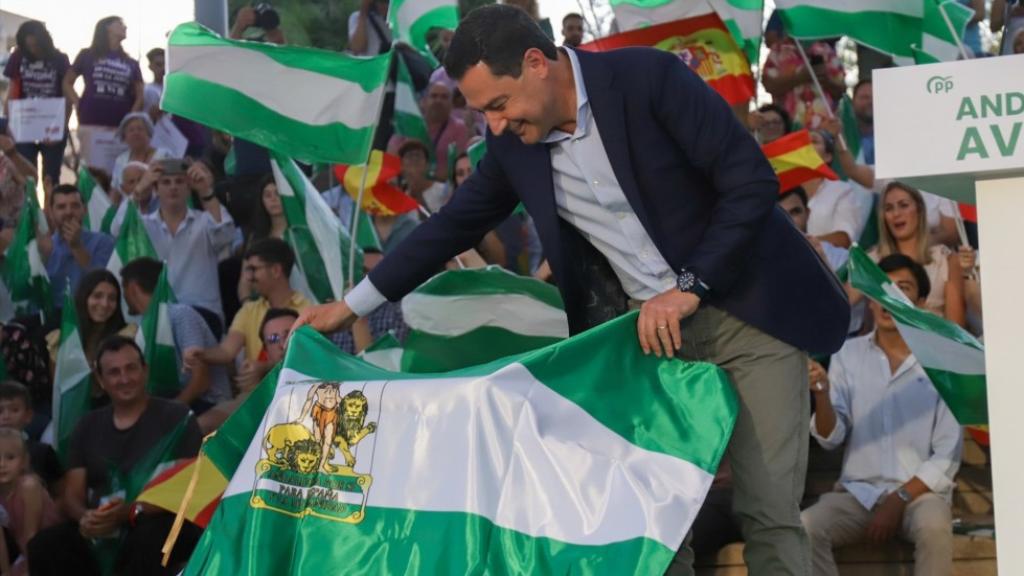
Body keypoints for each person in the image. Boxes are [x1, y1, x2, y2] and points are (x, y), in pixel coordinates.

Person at [294, 7, 850, 575]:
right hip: (647, 340)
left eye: (498, 104)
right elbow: (448, 227)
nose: (497, 125)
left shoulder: (648, 79)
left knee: (768, 513)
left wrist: (690, 286)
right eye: (484, 112)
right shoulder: (513, 144)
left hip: (748, 315)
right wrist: (350, 304)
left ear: (537, 63)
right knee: (656, 523)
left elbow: (749, 181)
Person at [802, 254, 962, 576]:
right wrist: (820, 393)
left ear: (919, 301)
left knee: (934, 528)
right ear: (872, 301)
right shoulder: (847, 353)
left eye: (902, 289)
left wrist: (899, 498)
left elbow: (948, 453)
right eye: (882, 289)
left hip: (920, 496)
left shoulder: (941, 361)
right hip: (857, 494)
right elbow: (832, 437)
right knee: (804, 528)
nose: (890, 298)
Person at [27, 336, 203, 576]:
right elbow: (72, 494)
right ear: (100, 380)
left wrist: (129, 513)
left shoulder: (178, 417)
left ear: (145, 371)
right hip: (101, 524)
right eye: (114, 372)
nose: (124, 379)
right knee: (45, 544)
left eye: (131, 368)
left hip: (156, 520)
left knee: (151, 536)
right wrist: (87, 518)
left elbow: (186, 487)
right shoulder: (87, 425)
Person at [185, 238, 310, 387]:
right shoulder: (249, 310)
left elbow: (306, 359)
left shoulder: (308, 310)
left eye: (254, 269)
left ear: (276, 270)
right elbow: (226, 351)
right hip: (253, 398)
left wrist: (265, 368)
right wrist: (201, 354)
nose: (249, 278)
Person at [120, 258, 232, 414]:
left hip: (206, 404)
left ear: (132, 288)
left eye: (123, 288)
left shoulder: (180, 314)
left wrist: (168, 412)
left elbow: (201, 381)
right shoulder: (143, 328)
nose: (122, 297)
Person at [141, 160, 235, 328]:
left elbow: (225, 234)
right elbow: (117, 229)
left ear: (189, 186)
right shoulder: (145, 224)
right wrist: (140, 190)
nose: (173, 187)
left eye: (179, 181)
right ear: (155, 189)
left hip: (202, 314)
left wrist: (206, 192)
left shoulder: (205, 221)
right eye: (166, 182)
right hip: (160, 316)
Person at [873, 182, 967, 327]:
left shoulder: (946, 261)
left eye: (903, 205)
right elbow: (845, 300)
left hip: (935, 345)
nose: (896, 214)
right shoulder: (872, 260)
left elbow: (956, 328)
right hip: (884, 347)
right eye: (889, 208)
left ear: (920, 210)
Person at [63, 16, 144, 173]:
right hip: (91, 123)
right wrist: (77, 102)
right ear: (107, 28)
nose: (125, 27)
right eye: (120, 24)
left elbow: (140, 94)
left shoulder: (131, 63)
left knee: (120, 174)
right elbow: (67, 82)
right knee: (93, 174)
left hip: (120, 128)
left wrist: (131, 118)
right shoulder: (87, 55)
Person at [2, 21, 71, 185]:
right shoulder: (18, 56)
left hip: (52, 123)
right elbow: (12, 91)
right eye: (29, 46)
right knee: (26, 177)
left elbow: (67, 95)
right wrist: (11, 123)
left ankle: (50, 208)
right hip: (24, 122)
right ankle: (30, 209)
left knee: (51, 178)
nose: (33, 50)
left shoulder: (60, 59)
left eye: (36, 45)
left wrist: (61, 127)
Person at [45, 269, 136, 389]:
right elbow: (59, 391)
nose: (104, 304)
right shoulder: (63, 339)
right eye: (97, 296)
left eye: (112, 298)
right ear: (84, 298)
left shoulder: (128, 336)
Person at [38, 184, 115, 311]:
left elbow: (102, 283)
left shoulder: (103, 242)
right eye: (61, 207)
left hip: (89, 315)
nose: (68, 212)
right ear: (51, 213)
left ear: (84, 210)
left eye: (75, 206)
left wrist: (76, 246)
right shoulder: (45, 246)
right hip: (53, 318)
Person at [0, 428, 59, 576]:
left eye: (10, 457)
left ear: (24, 461)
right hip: (27, 553)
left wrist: (28, 570)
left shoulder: (29, 486)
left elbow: (31, 535)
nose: (2, 464)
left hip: (51, 550)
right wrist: (6, 571)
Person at [388, 82, 470, 181]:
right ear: (423, 102)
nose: (438, 100)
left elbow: (461, 165)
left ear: (451, 104)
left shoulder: (459, 129)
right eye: (434, 96)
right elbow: (390, 159)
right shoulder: (408, 124)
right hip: (406, 185)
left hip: (442, 187)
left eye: (444, 97)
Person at [803, 130, 870, 248]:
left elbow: (844, 238)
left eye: (813, 141)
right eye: (803, 143)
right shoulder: (784, 191)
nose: (806, 146)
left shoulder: (842, 191)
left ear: (828, 156)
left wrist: (800, 244)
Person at [762, 35, 845, 130]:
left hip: (823, 130)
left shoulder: (825, 50)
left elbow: (841, 90)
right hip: (789, 128)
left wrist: (825, 80)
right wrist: (800, 78)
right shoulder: (778, 50)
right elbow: (769, 86)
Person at [0, 382, 61, 492]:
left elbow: (59, 493)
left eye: (14, 410)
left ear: (28, 416)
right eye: (0, 411)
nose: (6, 416)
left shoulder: (43, 452)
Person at [778, 186, 848, 272]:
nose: (789, 220)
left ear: (808, 213)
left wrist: (824, 263)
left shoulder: (838, 257)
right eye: (781, 215)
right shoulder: (760, 263)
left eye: (795, 212)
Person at [109, 112, 174, 195]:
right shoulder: (120, 160)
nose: (136, 133)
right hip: (130, 206)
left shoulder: (164, 155)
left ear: (149, 134)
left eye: (140, 129)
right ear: (124, 137)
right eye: (131, 130)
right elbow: (115, 192)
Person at [399, 139, 449, 213]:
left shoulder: (444, 190)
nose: (413, 159)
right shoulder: (400, 199)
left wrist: (419, 196)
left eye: (417, 155)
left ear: (427, 165)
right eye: (409, 156)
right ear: (402, 166)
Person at [142, 47, 164, 116]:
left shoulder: (176, 91)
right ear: (150, 66)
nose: (163, 68)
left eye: (165, 64)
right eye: (158, 65)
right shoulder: (147, 90)